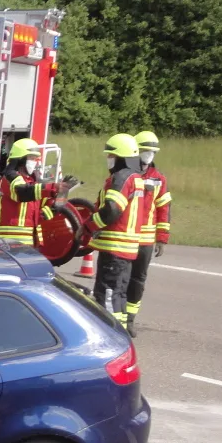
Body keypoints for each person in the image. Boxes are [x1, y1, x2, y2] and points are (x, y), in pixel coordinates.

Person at [82, 134, 145, 329]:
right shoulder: (136, 178)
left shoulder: (121, 178)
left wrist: (89, 226)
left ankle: (109, 336)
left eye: (111, 155)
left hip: (114, 249)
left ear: (120, 157)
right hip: (125, 250)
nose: (108, 159)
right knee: (118, 296)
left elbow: (112, 210)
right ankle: (121, 331)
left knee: (107, 295)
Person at [0, 138, 76, 247]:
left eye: (36, 159)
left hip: (31, 245)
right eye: (32, 158)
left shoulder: (33, 184)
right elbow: (22, 192)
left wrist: (62, 194)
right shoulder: (10, 180)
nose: (35, 163)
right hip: (9, 244)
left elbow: (48, 205)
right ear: (20, 159)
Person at [124, 131, 172, 337]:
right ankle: (118, 319)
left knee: (138, 280)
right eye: (146, 150)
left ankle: (131, 319)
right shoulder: (125, 175)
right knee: (121, 279)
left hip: (145, 240)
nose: (149, 154)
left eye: (152, 151)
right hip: (126, 238)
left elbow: (164, 208)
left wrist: (162, 238)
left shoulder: (159, 179)